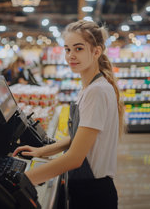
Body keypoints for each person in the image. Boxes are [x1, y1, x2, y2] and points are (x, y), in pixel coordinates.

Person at [13, 20, 124, 209]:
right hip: (90, 188)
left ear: (96, 51)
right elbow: (79, 138)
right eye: (67, 49)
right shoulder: (91, 87)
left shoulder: (96, 92)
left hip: (93, 195)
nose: (71, 56)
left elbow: (75, 157)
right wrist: (42, 151)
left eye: (78, 49)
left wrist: (22, 181)